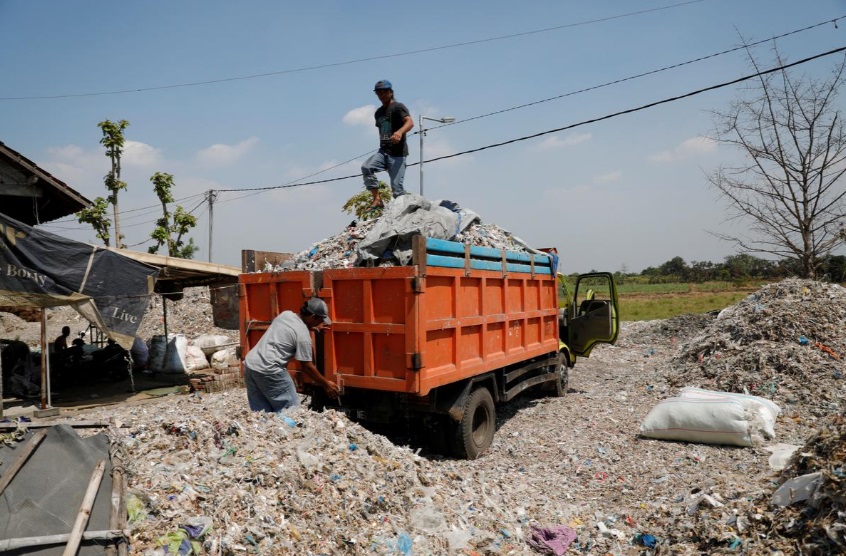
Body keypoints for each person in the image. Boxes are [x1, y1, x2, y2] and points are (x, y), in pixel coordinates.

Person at [243, 297, 340, 412]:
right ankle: (288, 423)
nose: (321, 323)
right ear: (313, 317)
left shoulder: (285, 314)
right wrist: (326, 384)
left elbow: (289, 328)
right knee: (291, 410)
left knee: (261, 412)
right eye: (320, 320)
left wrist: (311, 327)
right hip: (270, 369)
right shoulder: (303, 337)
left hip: (250, 365)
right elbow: (307, 367)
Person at [361, 79, 414, 209]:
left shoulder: (398, 107)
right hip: (384, 151)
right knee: (367, 167)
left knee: (397, 190)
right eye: (379, 93)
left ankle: (407, 212)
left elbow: (410, 122)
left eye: (384, 92)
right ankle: (377, 200)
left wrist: (400, 132)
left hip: (397, 154)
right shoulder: (378, 113)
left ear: (391, 92)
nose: (382, 95)